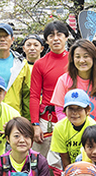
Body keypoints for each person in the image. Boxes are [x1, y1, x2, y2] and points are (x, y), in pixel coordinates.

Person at [51, 39, 96, 126]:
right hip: (70, 132)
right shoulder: (63, 80)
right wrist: (71, 130)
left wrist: (94, 132)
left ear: (94, 58)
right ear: (72, 59)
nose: (81, 60)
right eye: (77, 56)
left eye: (86, 56)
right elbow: (59, 111)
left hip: (93, 133)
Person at [30, 22, 71, 153]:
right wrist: (35, 124)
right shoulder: (40, 64)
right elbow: (34, 96)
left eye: (59, 34)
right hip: (47, 120)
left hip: (72, 117)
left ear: (66, 37)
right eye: (51, 36)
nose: (56, 38)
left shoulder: (75, 61)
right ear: (46, 41)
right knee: (42, 164)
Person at [50, 90, 96, 170]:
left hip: (90, 167)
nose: (74, 113)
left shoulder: (94, 127)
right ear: (65, 110)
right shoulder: (59, 127)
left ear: (88, 110)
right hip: (72, 167)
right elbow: (64, 157)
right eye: (71, 108)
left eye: (79, 108)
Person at [4, 35, 44, 121]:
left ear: (42, 48)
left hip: (44, 113)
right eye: (28, 45)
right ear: (23, 48)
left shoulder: (47, 66)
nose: (32, 48)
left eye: (36, 45)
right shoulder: (19, 67)